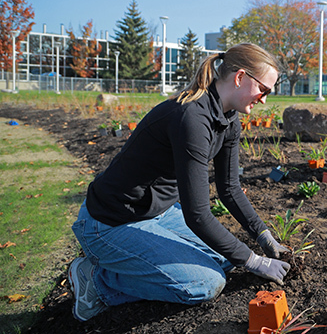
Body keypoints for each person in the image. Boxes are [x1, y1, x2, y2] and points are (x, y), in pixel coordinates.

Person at [68, 43, 290, 322]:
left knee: (224, 260)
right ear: (240, 77)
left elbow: (230, 188)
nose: (264, 100)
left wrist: (263, 235)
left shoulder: (229, 118)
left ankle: (123, 266)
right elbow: (197, 214)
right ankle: (97, 282)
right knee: (205, 284)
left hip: (156, 214)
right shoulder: (191, 118)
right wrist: (254, 261)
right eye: (264, 90)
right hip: (110, 222)